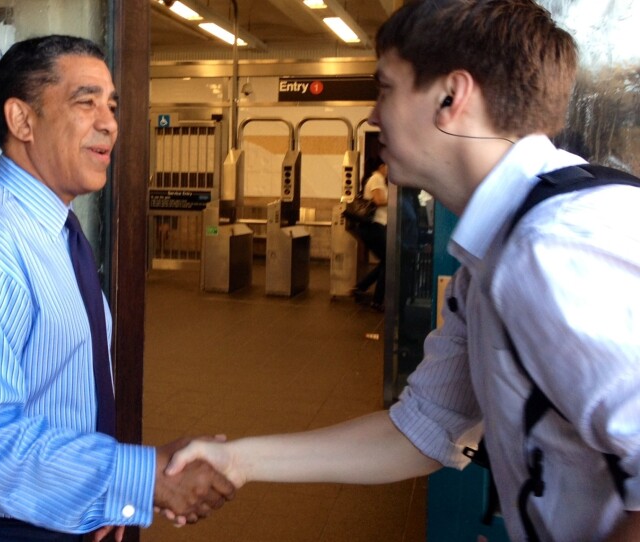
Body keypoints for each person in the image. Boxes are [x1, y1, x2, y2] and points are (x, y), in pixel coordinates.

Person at [166, 1, 640, 541]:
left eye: (386, 88)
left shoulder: (554, 249)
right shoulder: (496, 254)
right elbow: (424, 429)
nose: (372, 115)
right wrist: (239, 460)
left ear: (451, 98)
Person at [0, 35, 234, 542]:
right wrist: (136, 476)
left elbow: (56, 396)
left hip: (39, 513)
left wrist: (95, 488)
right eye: (85, 102)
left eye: (111, 105)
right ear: (22, 121)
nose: (109, 121)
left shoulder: (52, 230)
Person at [352, 159, 388, 311]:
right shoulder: (377, 179)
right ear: (381, 166)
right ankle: (377, 300)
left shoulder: (379, 179)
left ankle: (361, 287)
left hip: (374, 227)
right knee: (388, 261)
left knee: (386, 261)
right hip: (373, 226)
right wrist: (396, 197)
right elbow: (379, 200)